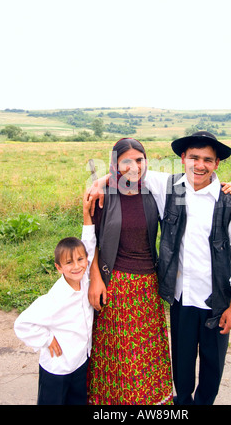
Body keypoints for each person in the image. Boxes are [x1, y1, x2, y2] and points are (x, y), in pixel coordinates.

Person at [145, 131, 231, 405]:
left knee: (212, 368)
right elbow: (129, 171)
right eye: (194, 157)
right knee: (180, 366)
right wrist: (97, 183)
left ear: (217, 164)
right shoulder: (171, 189)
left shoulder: (229, 204)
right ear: (183, 158)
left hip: (216, 302)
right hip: (181, 298)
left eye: (207, 159)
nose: (200, 165)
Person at [83, 138, 173, 406]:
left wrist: (226, 188)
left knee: (147, 353)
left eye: (140, 160)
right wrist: (95, 279)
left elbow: (195, 181)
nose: (134, 166)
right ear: (114, 164)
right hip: (117, 286)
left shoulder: (154, 190)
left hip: (148, 287)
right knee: (118, 353)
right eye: (126, 161)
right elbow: (92, 241)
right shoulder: (104, 196)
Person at [14, 197, 96, 405]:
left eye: (80, 260)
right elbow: (22, 324)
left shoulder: (85, 281)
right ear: (59, 268)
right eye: (69, 263)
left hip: (79, 363)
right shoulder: (55, 299)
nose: (76, 266)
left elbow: (89, 245)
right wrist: (47, 339)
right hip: (57, 369)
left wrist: (86, 215)